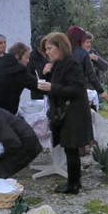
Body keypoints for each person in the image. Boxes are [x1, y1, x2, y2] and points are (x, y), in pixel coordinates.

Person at [37, 32, 93, 194]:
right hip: (67, 113)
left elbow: (76, 89)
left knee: (71, 148)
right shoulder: (59, 64)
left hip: (73, 114)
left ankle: (73, 185)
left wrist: (51, 87)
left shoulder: (71, 63)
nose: (47, 52)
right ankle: (74, 183)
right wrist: (45, 74)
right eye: (46, 49)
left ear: (60, 47)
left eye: (49, 48)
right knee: (69, 148)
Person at [0, 42, 42, 114]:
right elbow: (38, 86)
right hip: (4, 114)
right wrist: (53, 86)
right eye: (26, 57)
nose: (28, 61)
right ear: (17, 56)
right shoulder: (20, 70)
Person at [67, 26, 108, 103]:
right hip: (82, 89)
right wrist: (101, 91)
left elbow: (105, 67)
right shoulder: (80, 54)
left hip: (91, 90)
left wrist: (96, 58)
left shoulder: (93, 53)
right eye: (87, 42)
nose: (89, 44)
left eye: (90, 42)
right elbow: (90, 74)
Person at [28, 36, 51, 100]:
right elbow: (30, 75)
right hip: (38, 92)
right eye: (42, 49)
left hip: (50, 88)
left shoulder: (49, 53)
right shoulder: (32, 57)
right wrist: (43, 72)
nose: (45, 51)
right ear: (37, 48)